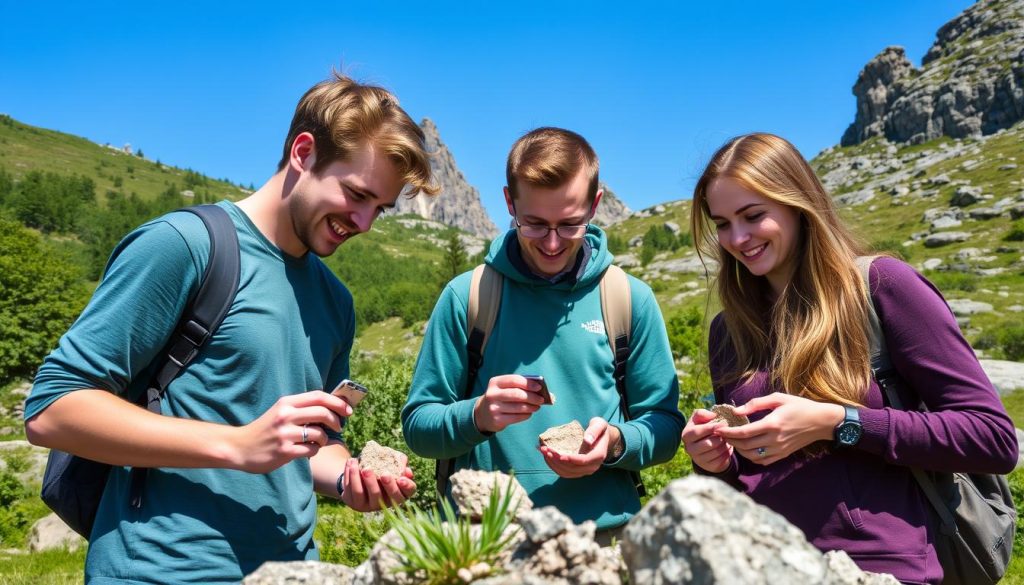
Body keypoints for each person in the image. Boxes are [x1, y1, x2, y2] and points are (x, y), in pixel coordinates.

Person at [24, 72, 438, 583]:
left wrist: (348, 480)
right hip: (159, 569)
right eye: (356, 194)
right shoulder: (185, 245)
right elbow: (52, 411)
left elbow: (313, 445)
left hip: (290, 571)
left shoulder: (336, 302)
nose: (365, 222)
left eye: (380, 207)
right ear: (303, 152)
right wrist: (238, 445)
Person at [681, 132, 1018, 584]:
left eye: (753, 215)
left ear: (798, 204)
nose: (737, 238)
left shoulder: (883, 286)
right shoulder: (728, 330)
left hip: (886, 570)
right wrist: (716, 461)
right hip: (764, 568)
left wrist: (839, 421)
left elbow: (992, 438)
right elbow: (748, 475)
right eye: (721, 224)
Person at [402, 127, 685, 538]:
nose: (552, 243)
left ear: (595, 205)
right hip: (484, 543)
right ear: (509, 203)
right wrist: (477, 415)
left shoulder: (627, 299)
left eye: (570, 224)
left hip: (602, 540)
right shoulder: (468, 297)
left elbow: (664, 426)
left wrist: (616, 443)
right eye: (534, 224)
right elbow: (419, 426)